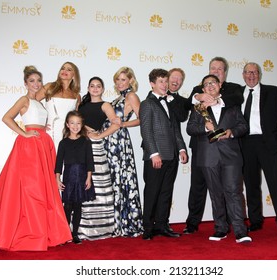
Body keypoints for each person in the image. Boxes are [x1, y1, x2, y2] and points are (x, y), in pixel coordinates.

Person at [0, 66, 72, 252]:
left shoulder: (40, 102)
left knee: (43, 189)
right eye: (32, 81)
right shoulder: (24, 99)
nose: (36, 84)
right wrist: (24, 133)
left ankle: (42, 231)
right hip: (29, 147)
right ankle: (32, 233)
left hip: (43, 144)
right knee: (32, 189)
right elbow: (6, 117)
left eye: (38, 80)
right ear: (25, 83)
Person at [187, 74, 251, 243]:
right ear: (202, 89)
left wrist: (232, 132)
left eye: (213, 83)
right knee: (216, 194)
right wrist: (204, 127)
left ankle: (240, 231)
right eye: (206, 84)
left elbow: (243, 126)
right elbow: (190, 129)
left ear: (219, 86)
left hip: (231, 156)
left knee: (234, 192)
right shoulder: (197, 108)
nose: (210, 86)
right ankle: (221, 229)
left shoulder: (231, 106)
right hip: (208, 157)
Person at [240, 62, 277, 237]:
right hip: (245, 144)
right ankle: (255, 221)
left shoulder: (273, 91)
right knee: (251, 185)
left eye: (254, 72)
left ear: (259, 74)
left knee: (276, 184)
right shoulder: (237, 94)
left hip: (268, 144)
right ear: (243, 75)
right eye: (248, 72)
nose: (251, 76)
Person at [140, 68, 188, 240]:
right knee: (152, 192)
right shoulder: (147, 103)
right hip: (156, 156)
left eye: (166, 81)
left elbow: (175, 129)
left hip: (172, 155)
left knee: (166, 192)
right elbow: (146, 131)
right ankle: (147, 228)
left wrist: (181, 149)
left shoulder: (170, 102)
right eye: (160, 81)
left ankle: (162, 225)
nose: (165, 84)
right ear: (152, 84)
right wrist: (154, 154)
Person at [101, 66, 144, 237]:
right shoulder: (118, 97)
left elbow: (142, 119)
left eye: (123, 79)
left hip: (118, 141)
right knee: (111, 178)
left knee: (119, 178)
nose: (120, 83)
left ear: (131, 81)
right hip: (108, 140)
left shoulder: (131, 96)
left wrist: (123, 125)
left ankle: (125, 222)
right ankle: (114, 221)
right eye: (117, 79)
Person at [77, 76, 120, 240]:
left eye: (98, 86)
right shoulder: (82, 105)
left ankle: (101, 226)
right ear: (88, 88)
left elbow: (116, 123)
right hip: (81, 146)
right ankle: (83, 226)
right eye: (92, 86)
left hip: (95, 147)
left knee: (98, 183)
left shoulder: (105, 105)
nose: (95, 88)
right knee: (83, 182)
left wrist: (100, 135)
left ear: (102, 89)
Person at [55, 111, 95, 245]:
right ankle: (65, 234)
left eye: (78, 123)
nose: (75, 126)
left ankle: (75, 234)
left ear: (82, 125)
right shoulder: (63, 143)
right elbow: (58, 163)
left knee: (78, 206)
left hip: (82, 176)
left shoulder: (85, 141)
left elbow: (90, 161)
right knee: (67, 206)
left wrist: (89, 178)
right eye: (72, 123)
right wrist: (57, 179)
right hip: (69, 178)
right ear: (67, 124)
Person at [36, 61, 81, 151]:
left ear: (74, 75)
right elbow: (33, 104)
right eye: (63, 68)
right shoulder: (49, 87)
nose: (64, 71)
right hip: (49, 131)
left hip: (67, 133)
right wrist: (40, 125)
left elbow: (76, 118)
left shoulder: (76, 95)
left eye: (69, 69)